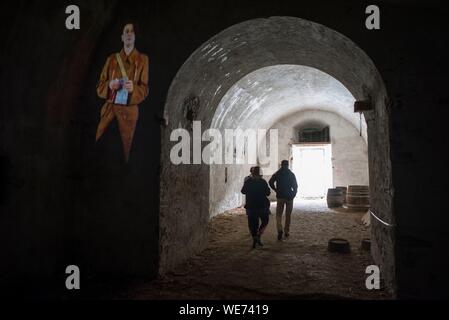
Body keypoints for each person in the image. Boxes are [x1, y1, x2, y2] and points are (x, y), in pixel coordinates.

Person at [95, 23, 149, 162]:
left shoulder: (142, 60)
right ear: (122, 37)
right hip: (109, 111)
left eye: (132, 31)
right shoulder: (111, 60)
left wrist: (134, 89)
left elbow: (144, 89)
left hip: (129, 117)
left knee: (126, 155)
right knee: (100, 152)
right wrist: (109, 85)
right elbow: (99, 86)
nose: (129, 34)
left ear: (135, 36)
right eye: (126, 31)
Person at [241, 166, 271, 249]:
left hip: (251, 206)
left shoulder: (248, 182)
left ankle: (254, 237)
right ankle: (259, 235)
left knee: (253, 224)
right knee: (265, 221)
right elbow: (268, 193)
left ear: (252, 173)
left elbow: (243, 191)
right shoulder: (263, 182)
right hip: (262, 206)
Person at [269, 160, 298, 240]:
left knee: (279, 215)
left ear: (281, 165)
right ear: (288, 165)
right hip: (289, 197)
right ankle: (286, 231)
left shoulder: (277, 173)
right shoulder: (291, 174)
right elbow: (295, 186)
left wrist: (275, 189)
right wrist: (293, 194)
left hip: (280, 196)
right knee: (288, 215)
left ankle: (279, 230)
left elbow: (270, 182)